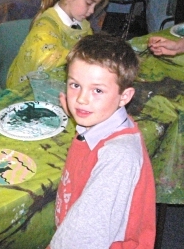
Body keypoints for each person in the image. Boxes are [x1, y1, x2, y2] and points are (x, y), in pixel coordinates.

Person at [49, 33, 156, 248]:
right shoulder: (103, 121)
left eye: (97, 90)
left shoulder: (117, 157)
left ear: (124, 97)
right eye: (75, 85)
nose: (81, 99)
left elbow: (83, 238)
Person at [6, 0, 108, 89]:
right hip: (28, 90)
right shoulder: (46, 26)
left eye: (95, 5)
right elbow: (45, 61)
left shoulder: (82, 25)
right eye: (88, 3)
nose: (92, 11)